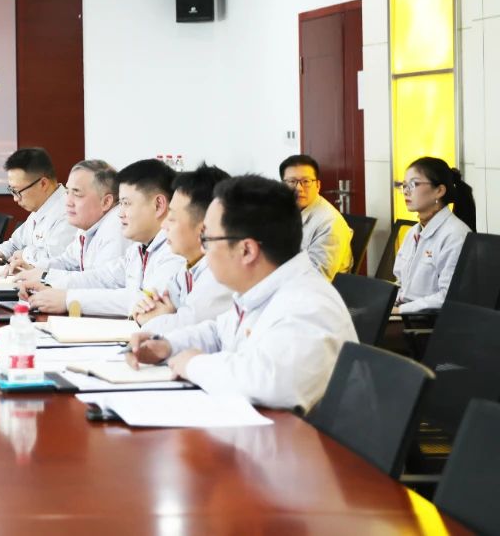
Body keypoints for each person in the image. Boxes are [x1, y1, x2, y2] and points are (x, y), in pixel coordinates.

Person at [127, 175, 358, 411]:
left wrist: (194, 364)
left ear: (246, 250)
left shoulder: (307, 305)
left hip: (300, 433)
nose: (204, 249)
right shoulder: (262, 289)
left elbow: (270, 383)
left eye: (207, 239)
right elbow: (219, 334)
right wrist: (167, 345)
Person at [25, 159, 184, 317]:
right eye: (121, 203)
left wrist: (68, 299)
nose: (120, 213)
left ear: (158, 205)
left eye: (126, 203)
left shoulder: (175, 252)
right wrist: (51, 284)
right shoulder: (140, 247)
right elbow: (103, 277)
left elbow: (146, 302)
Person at [133, 164, 233, 333]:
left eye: (172, 218)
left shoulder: (220, 274)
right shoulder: (189, 267)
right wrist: (151, 312)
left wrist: (154, 319)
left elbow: (184, 326)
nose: (163, 225)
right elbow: (152, 303)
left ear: (204, 229)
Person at [12, 159, 131, 288]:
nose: (67, 202)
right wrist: (35, 269)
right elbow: (67, 262)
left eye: (77, 193)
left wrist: (45, 276)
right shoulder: (87, 224)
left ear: (106, 202)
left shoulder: (118, 227)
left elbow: (103, 284)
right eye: (68, 192)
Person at [393, 156, 476, 314]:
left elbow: (447, 296)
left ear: (439, 191)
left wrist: (400, 310)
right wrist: (386, 303)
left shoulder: (455, 235)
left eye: (414, 184)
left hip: (428, 320)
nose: (406, 191)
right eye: (404, 185)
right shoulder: (412, 232)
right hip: (405, 313)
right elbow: (401, 282)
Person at [0, 147, 77, 269]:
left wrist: (24, 254)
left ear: (43, 184)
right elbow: (15, 243)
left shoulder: (69, 211)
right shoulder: (40, 209)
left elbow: (56, 261)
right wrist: (0, 253)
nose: (15, 199)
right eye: (11, 190)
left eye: (17, 191)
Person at [279, 154, 352, 279]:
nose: (299, 188)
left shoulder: (330, 223)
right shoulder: (280, 209)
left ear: (318, 186)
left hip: (316, 287)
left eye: (306, 181)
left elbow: (316, 277)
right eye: (291, 182)